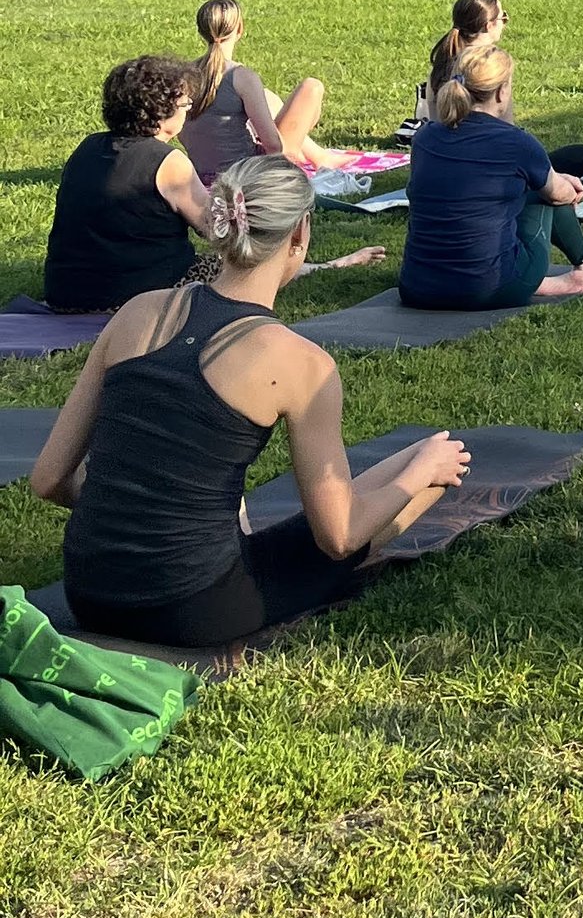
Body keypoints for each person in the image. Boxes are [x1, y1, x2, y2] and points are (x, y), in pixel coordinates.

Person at [31, 155, 473, 646]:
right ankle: (428, 465)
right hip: (191, 609)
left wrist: (135, 515)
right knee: (434, 462)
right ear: (300, 234)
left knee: (414, 458)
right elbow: (339, 536)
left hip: (87, 593)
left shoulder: (139, 311)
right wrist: (420, 474)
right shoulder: (301, 364)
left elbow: (49, 479)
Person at [401, 52, 583, 309]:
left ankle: (560, 274)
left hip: (418, 288)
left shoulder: (425, 137)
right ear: (502, 92)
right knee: (539, 193)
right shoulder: (517, 143)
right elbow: (559, 195)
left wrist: (555, 178)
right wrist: (568, 186)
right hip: (490, 289)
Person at [44, 58, 222, 313]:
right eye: (185, 104)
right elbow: (216, 228)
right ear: (161, 112)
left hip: (66, 294)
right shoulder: (168, 163)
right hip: (141, 296)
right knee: (247, 268)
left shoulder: (88, 147)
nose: (188, 111)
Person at [181, 0, 331, 184]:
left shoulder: (184, 76)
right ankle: (310, 156)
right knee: (311, 89)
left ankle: (318, 155)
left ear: (201, 31)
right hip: (247, 175)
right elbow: (274, 145)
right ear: (240, 29)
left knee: (268, 97)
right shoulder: (241, 77)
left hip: (202, 173)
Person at [416, 0, 504, 125]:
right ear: (489, 25)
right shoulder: (493, 67)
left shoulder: (441, 65)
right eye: (503, 18)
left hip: (439, 143)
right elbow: (506, 123)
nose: (504, 24)